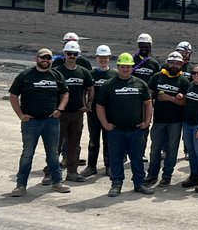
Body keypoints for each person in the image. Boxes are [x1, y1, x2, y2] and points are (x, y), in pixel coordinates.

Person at [7, 48, 69, 196]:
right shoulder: (25, 75)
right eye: (43, 58)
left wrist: (59, 110)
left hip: (51, 122)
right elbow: (13, 95)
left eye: (48, 58)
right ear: (37, 59)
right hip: (31, 123)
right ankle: (21, 185)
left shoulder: (56, 75)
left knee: (53, 154)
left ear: (51, 60)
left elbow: (65, 93)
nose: (45, 60)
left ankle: (57, 182)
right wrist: (21, 115)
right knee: (27, 154)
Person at [94, 52, 153, 196]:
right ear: (118, 67)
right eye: (122, 67)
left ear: (132, 67)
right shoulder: (109, 85)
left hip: (136, 130)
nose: (125, 69)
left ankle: (139, 183)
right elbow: (99, 105)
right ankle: (116, 184)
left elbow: (148, 103)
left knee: (137, 158)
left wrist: (147, 121)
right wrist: (105, 124)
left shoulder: (140, 84)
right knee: (116, 158)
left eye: (128, 67)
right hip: (116, 130)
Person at [52, 40, 93, 184]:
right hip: (60, 114)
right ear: (64, 54)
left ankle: (72, 172)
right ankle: (51, 172)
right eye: (69, 53)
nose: (71, 56)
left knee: (74, 145)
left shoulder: (83, 72)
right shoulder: (57, 72)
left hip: (77, 114)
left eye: (74, 54)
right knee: (55, 144)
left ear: (78, 55)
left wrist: (88, 104)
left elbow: (90, 87)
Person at [146, 51, 188, 187]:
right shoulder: (157, 77)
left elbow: (185, 103)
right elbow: (149, 97)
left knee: (171, 149)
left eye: (178, 63)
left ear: (182, 64)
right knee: (155, 149)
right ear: (167, 63)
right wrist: (148, 115)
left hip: (175, 121)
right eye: (172, 62)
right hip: (158, 120)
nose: (175, 65)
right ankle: (152, 175)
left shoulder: (184, 81)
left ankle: (166, 176)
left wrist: (170, 99)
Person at [83, 44, 116, 177]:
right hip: (93, 113)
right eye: (100, 57)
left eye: (105, 57)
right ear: (96, 58)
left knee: (108, 140)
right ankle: (91, 166)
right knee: (93, 140)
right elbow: (84, 91)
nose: (103, 60)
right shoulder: (91, 74)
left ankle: (109, 166)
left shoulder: (114, 74)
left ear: (109, 58)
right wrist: (85, 105)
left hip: (109, 114)